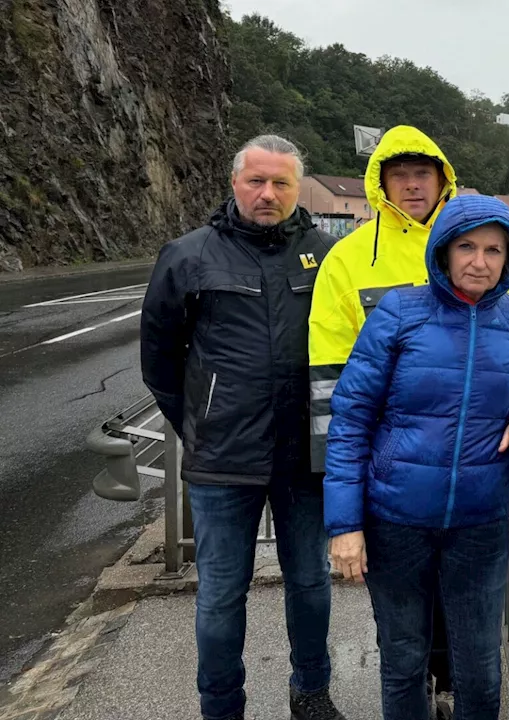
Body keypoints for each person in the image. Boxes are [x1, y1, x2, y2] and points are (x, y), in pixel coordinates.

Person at [306, 126, 509, 709]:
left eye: (494, 250)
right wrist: (345, 524)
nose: (480, 262)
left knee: (481, 669)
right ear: (444, 251)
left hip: (479, 522)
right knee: (404, 662)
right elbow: (350, 417)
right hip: (396, 521)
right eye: (467, 247)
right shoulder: (397, 312)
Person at [140, 136, 345, 720]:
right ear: (234, 183)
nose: (267, 194)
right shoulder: (187, 255)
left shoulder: (326, 256)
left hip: (305, 457)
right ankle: (222, 705)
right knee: (222, 595)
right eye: (256, 181)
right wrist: (199, 423)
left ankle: (311, 691)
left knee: (310, 583)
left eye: (281, 183)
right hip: (222, 462)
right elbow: (159, 357)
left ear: (296, 188)